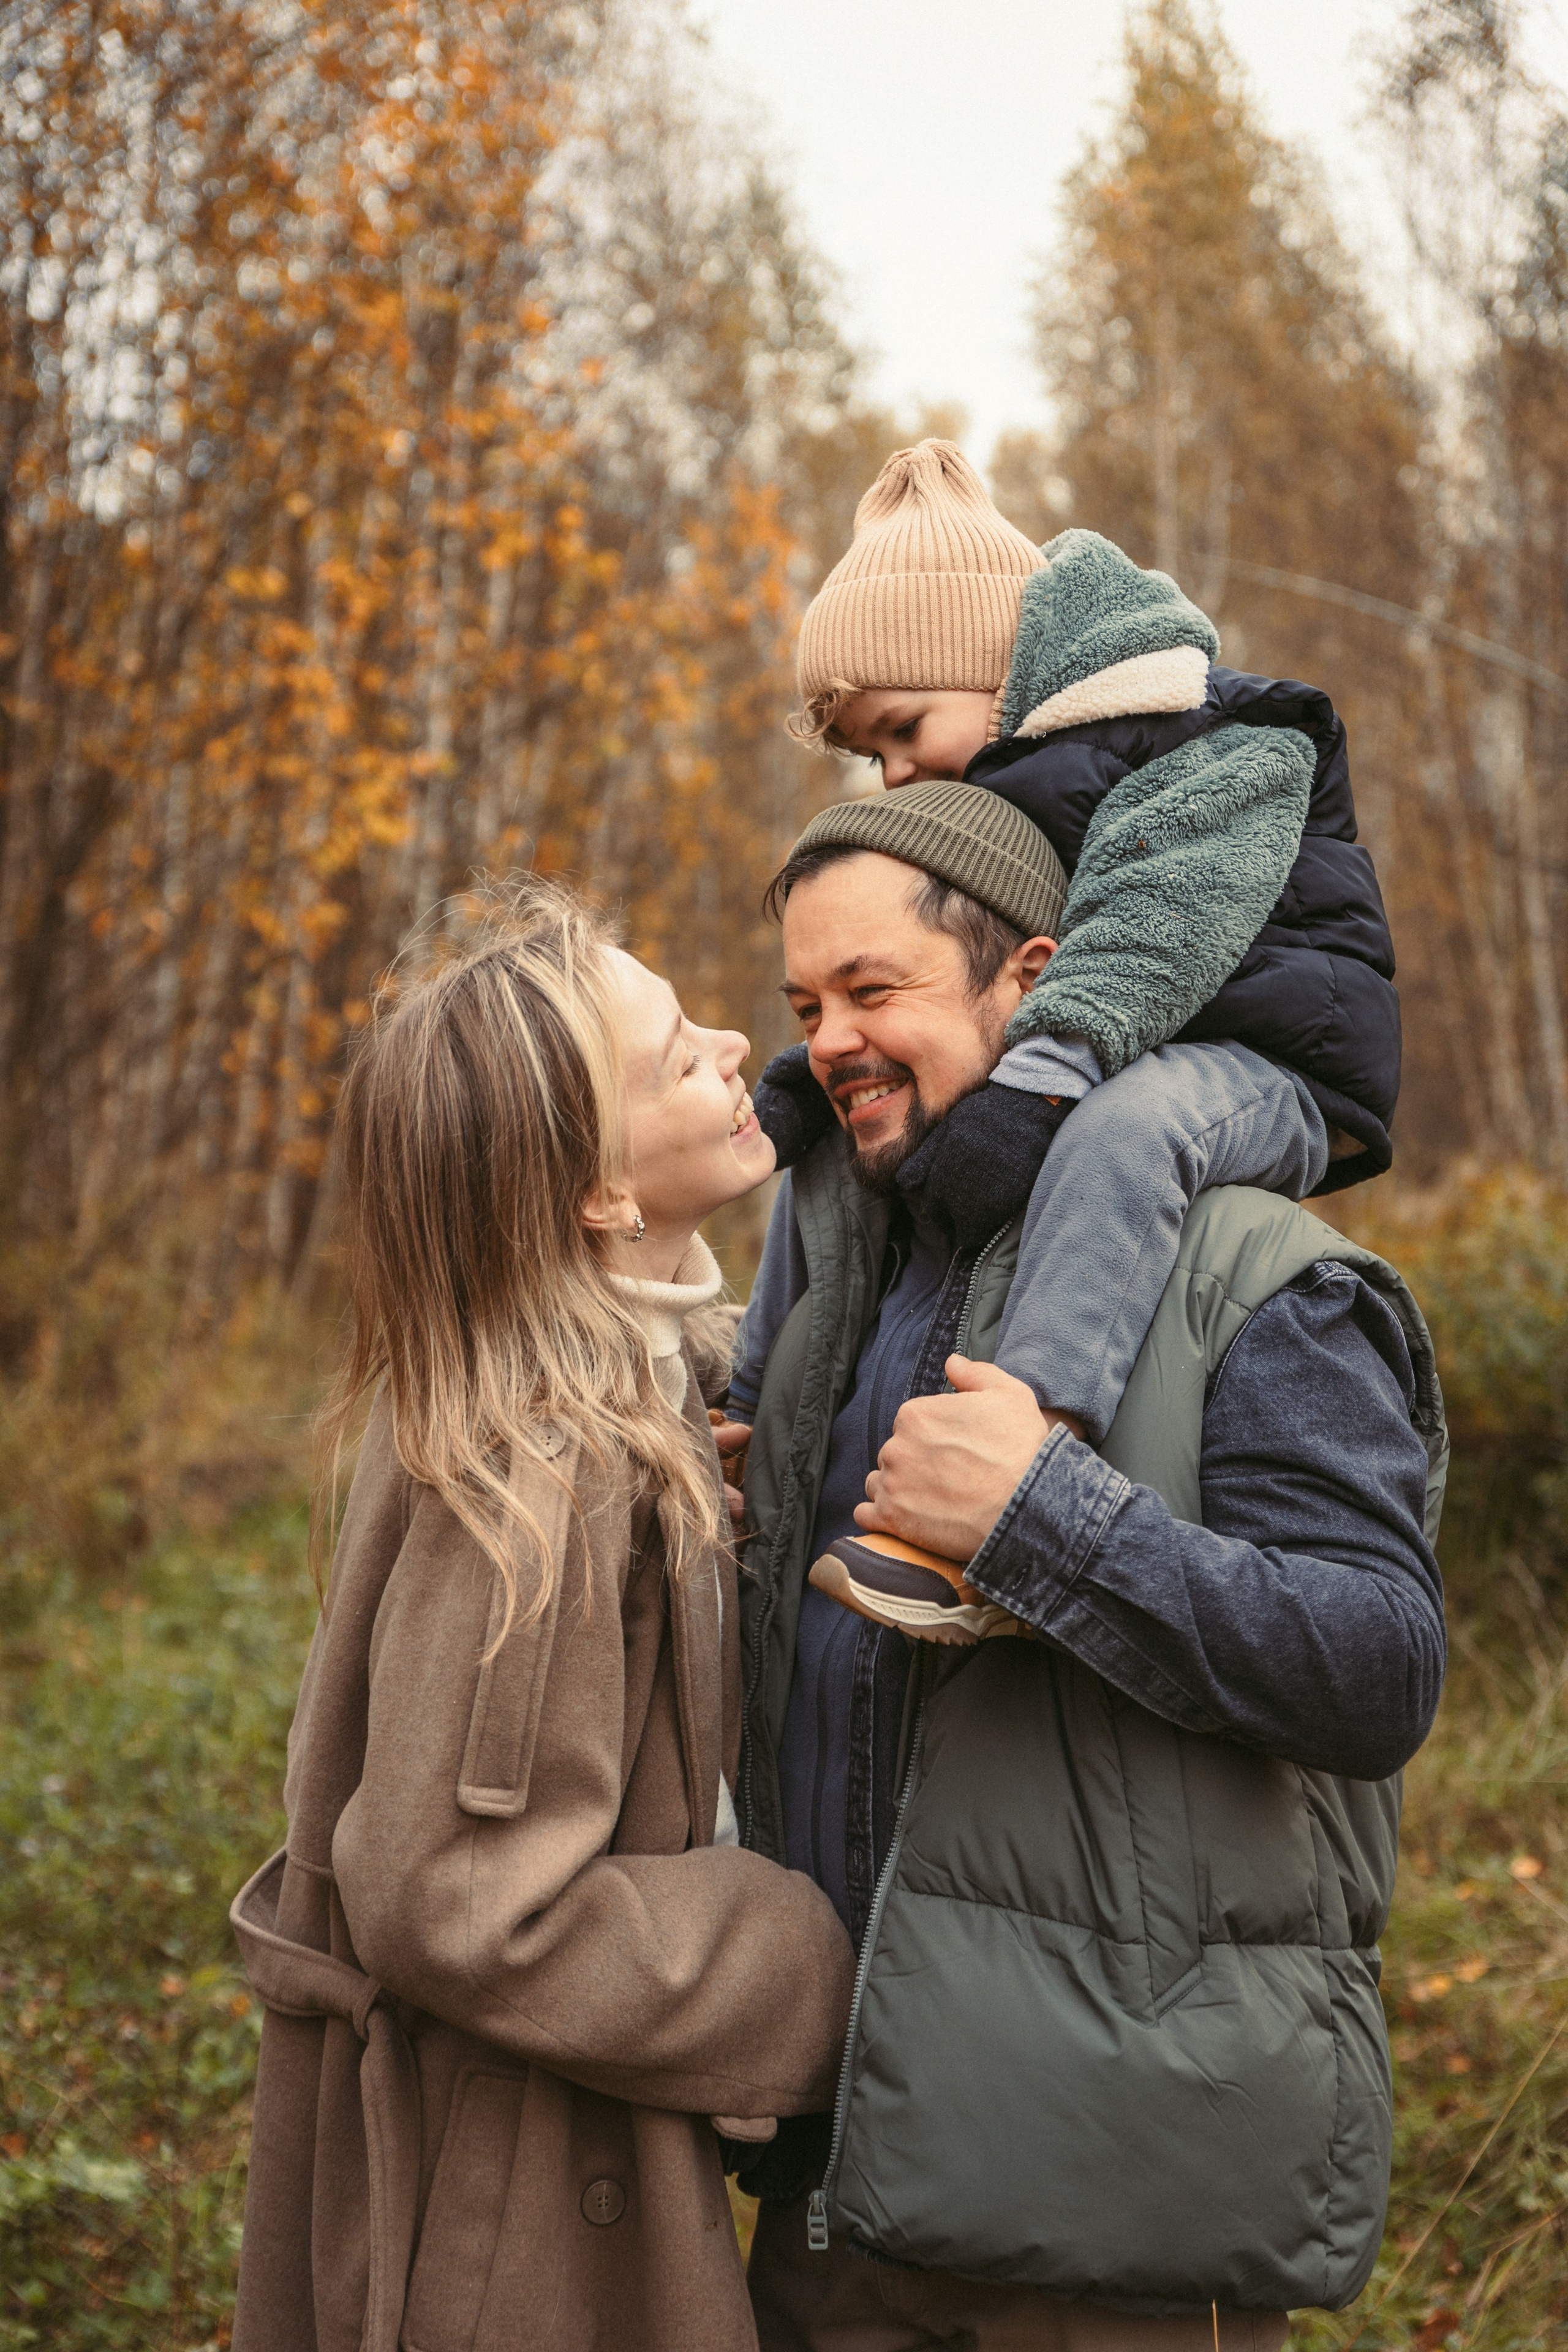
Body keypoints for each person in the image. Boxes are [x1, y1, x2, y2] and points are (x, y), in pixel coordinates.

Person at [726, 787, 1447, 2349]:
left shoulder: (1248, 1273)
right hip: (831, 2186)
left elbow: (1376, 1664)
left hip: (1104, 2213)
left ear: (1029, 979)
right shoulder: (832, 1294)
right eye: (801, 1005)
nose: (828, 1039)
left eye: (872, 991)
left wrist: (1047, 1522)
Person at [227, 878, 855, 2352]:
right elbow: (458, 1892)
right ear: (599, 1196)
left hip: (516, 2145)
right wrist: (808, 1958)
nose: (726, 1043)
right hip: (500, 2206)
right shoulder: (545, 1454)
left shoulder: (587, 1401)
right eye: (668, 1052)